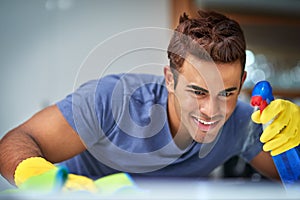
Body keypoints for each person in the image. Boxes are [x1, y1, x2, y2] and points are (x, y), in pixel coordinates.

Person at [0, 10, 299, 192]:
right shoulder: (112, 101)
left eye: (227, 93)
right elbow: (16, 140)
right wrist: (39, 178)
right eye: (198, 92)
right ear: (170, 79)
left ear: (241, 83)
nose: (213, 111)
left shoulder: (243, 124)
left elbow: (292, 181)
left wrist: (294, 142)